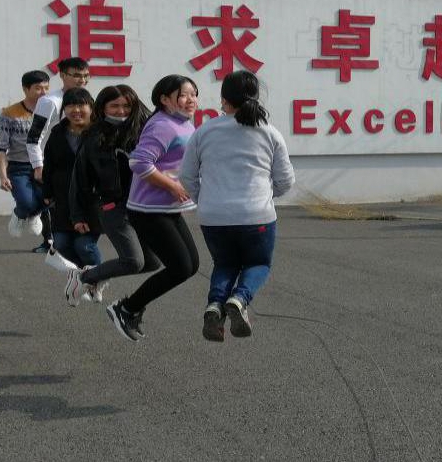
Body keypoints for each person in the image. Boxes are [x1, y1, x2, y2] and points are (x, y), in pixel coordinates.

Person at [180, 71, 294, 342]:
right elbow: (285, 180)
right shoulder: (269, 132)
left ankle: (215, 305)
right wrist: (267, 196)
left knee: (225, 264)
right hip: (257, 215)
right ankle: (239, 299)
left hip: (213, 216)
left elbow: (186, 176)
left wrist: (204, 199)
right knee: (259, 263)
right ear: (256, 97)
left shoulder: (204, 131)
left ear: (223, 99)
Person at [105, 74, 201, 342]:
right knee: (181, 267)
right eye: (184, 95)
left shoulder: (183, 123)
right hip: (148, 210)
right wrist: (172, 186)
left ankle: (129, 308)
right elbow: (139, 163)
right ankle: (126, 308)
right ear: (165, 99)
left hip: (166, 209)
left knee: (191, 265)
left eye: (194, 94)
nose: (191, 100)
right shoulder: (163, 125)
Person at [65, 85, 163, 306]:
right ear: (103, 107)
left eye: (126, 106)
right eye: (114, 106)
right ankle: (83, 277)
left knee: (152, 262)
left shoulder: (145, 131)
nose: (121, 111)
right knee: (133, 261)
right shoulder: (93, 137)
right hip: (113, 207)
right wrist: (78, 215)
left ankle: (97, 274)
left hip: (142, 206)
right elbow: (79, 179)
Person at [27, 57, 92, 253]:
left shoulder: (88, 100)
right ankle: (51, 242)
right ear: (62, 75)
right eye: (77, 75)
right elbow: (34, 137)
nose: (82, 80)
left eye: (86, 76)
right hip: (55, 165)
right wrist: (38, 166)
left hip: (81, 165)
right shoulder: (49, 102)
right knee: (57, 209)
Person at [39, 87, 102, 282]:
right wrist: (47, 192)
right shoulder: (57, 132)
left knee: (85, 246)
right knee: (61, 243)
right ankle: (83, 277)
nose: (76, 110)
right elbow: (49, 165)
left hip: (91, 200)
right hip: (63, 198)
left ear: (91, 107)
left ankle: (96, 280)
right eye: (70, 105)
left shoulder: (100, 133)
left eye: (81, 105)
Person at [0, 70, 51, 239]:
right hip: (19, 166)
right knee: (27, 202)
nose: (43, 92)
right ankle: (20, 214)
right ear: (25, 89)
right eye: (38, 88)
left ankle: (34, 214)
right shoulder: (9, 113)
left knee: (50, 198)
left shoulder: (52, 109)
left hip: (46, 165)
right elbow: (1, 148)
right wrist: (3, 176)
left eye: (46, 88)